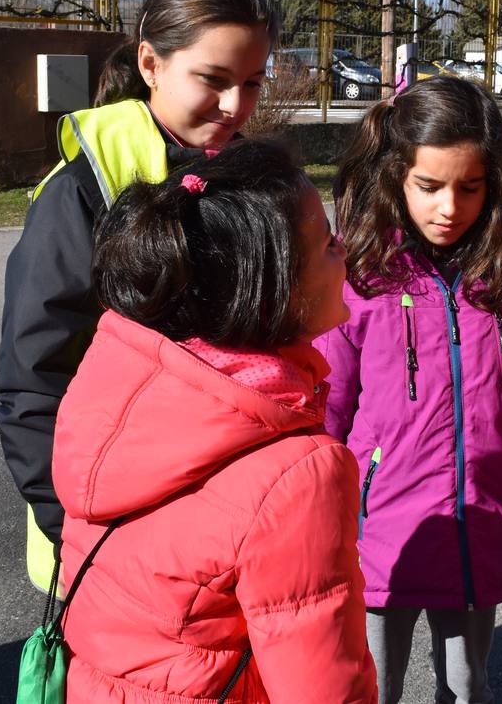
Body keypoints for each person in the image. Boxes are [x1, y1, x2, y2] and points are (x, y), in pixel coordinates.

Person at [51, 140, 377, 702]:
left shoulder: (122, 386)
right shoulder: (298, 474)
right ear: (273, 287)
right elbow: (323, 686)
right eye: (327, 243)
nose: (343, 250)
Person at [0, 0, 278, 590]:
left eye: (253, 82)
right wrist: (75, 529)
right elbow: (32, 383)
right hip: (107, 538)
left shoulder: (249, 181)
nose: (236, 105)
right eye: (214, 79)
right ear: (150, 63)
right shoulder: (82, 192)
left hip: (223, 527)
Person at [319, 76, 502, 704]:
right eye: (429, 186)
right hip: (377, 544)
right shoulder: (357, 279)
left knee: (470, 689)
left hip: (481, 537)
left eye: (470, 187)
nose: (450, 207)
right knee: (366, 691)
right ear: (395, 176)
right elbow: (321, 421)